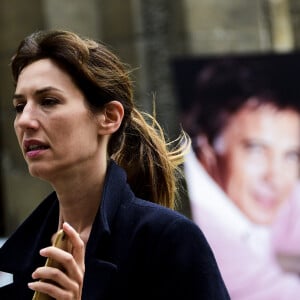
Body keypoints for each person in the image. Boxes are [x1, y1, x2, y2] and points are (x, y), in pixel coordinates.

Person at [0, 30, 229, 299]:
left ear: (109, 117)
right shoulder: (19, 259)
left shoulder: (168, 240)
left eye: (49, 101)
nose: (25, 120)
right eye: (19, 106)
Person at [181, 58, 300, 299]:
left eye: (291, 155)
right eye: (256, 150)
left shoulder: (252, 189)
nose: (275, 178)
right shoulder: (194, 231)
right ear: (207, 150)